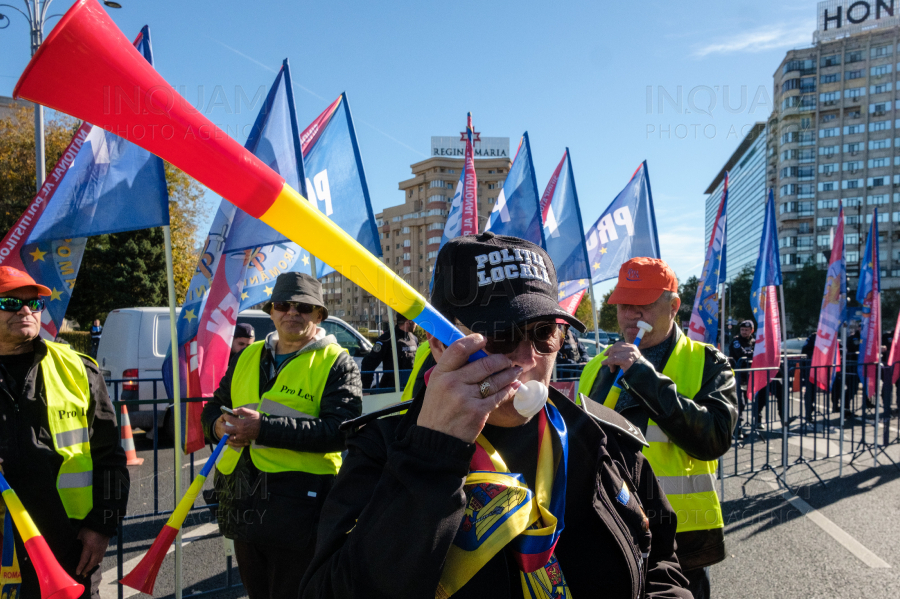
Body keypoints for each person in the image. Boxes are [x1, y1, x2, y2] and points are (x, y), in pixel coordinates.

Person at [300, 233, 692, 599]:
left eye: (544, 333)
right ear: (440, 343)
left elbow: (661, 562)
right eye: (502, 334)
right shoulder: (381, 450)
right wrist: (430, 457)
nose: (527, 359)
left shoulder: (604, 437)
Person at [578, 257, 738, 599]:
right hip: (612, 527)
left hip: (683, 534)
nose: (632, 316)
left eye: (644, 305)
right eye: (624, 305)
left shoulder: (709, 363)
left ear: (674, 306)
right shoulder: (596, 366)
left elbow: (713, 438)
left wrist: (643, 376)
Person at [201, 272, 362, 599]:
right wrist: (217, 426)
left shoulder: (336, 362)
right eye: (283, 304)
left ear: (318, 315)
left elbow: (340, 432)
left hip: (300, 512)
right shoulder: (247, 355)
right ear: (271, 311)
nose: (292, 312)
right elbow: (215, 406)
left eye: (303, 307)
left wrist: (263, 428)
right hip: (243, 504)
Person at [0, 267, 128, 599]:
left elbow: (110, 460)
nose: (26, 311)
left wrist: (102, 528)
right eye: (11, 302)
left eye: (35, 303)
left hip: (67, 546)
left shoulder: (78, 370)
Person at [360, 312, 418, 390]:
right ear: (408, 321)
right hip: (390, 392)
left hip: (410, 389)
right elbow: (368, 363)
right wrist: (366, 389)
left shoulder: (414, 339)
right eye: (415, 321)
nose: (417, 324)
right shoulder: (386, 339)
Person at [728, 319, 754, 436]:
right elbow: (742, 355)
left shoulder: (754, 341)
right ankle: (735, 429)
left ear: (751, 331)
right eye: (742, 330)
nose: (744, 332)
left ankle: (738, 428)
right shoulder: (736, 341)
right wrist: (753, 354)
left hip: (747, 376)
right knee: (739, 402)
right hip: (737, 374)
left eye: (746, 330)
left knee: (744, 402)